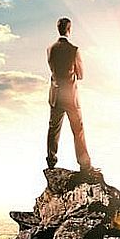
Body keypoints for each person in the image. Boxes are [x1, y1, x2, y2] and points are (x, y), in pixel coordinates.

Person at [45, 17, 99, 174]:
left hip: (55, 94)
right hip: (70, 96)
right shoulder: (74, 50)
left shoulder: (50, 49)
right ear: (69, 29)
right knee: (78, 130)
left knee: (53, 129)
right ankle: (85, 165)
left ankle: (51, 162)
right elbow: (80, 75)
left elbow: (53, 69)